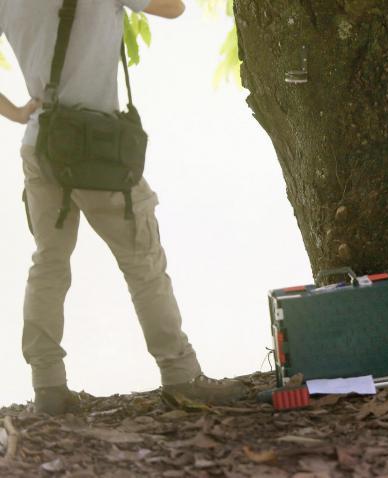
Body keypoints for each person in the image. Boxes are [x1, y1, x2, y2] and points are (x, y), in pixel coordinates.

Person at [0, 0, 246, 415]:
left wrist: (16, 112)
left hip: (41, 144)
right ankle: (181, 376)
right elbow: (175, 8)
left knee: (48, 264)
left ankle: (48, 388)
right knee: (143, 262)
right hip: (97, 148)